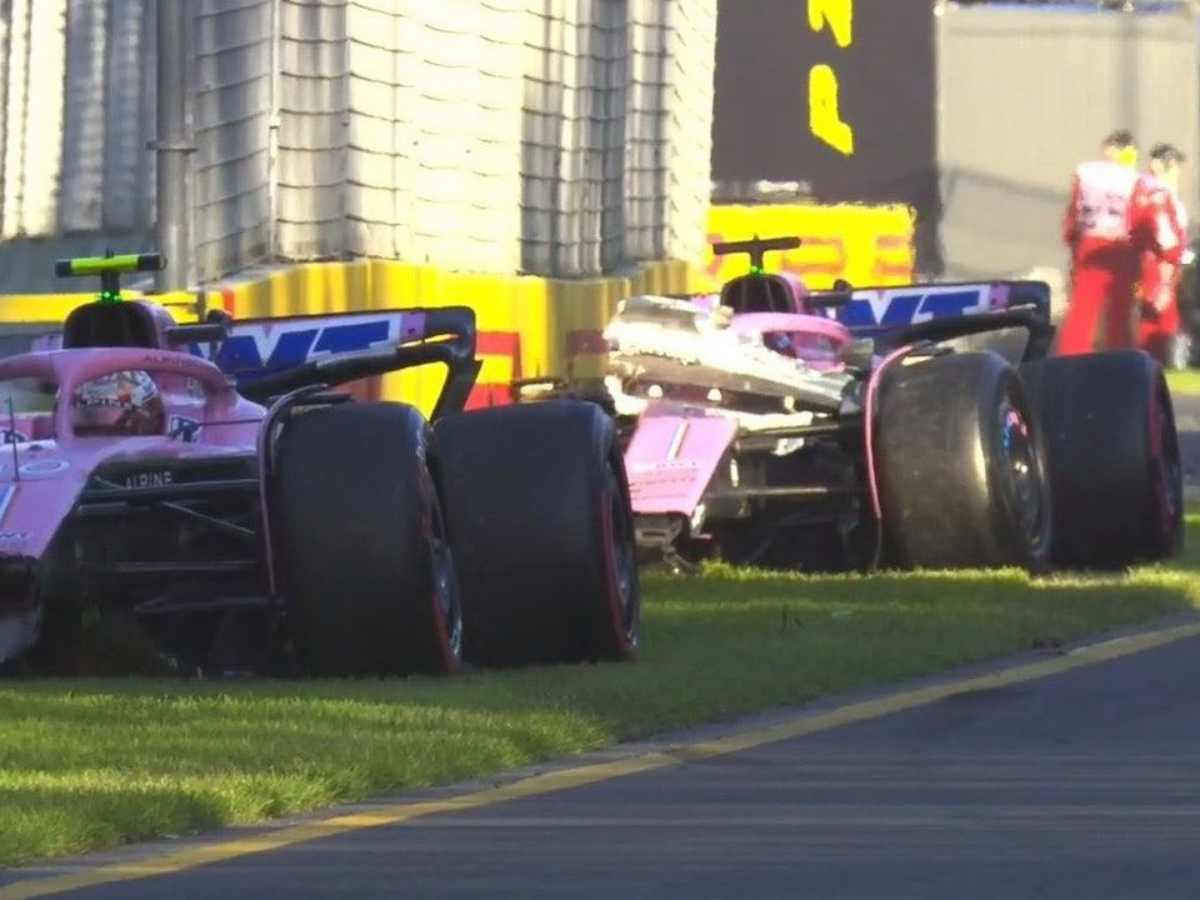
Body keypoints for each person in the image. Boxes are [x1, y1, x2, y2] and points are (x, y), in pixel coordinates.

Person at [1059, 130, 1141, 355]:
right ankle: (1120, 356)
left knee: (1084, 306)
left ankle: (1072, 354)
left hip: (1091, 241)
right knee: (1119, 308)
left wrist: (1072, 241)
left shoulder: (1086, 172)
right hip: (1120, 244)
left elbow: (1073, 213)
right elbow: (1139, 216)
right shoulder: (1134, 179)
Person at [1132, 143, 1189, 367]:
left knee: (1153, 319)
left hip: (1154, 263)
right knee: (1160, 319)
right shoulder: (1157, 195)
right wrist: (1170, 262)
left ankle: (1148, 365)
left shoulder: (1151, 192)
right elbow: (1165, 236)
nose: (1177, 171)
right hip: (1157, 265)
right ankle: (1151, 366)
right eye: (1173, 165)